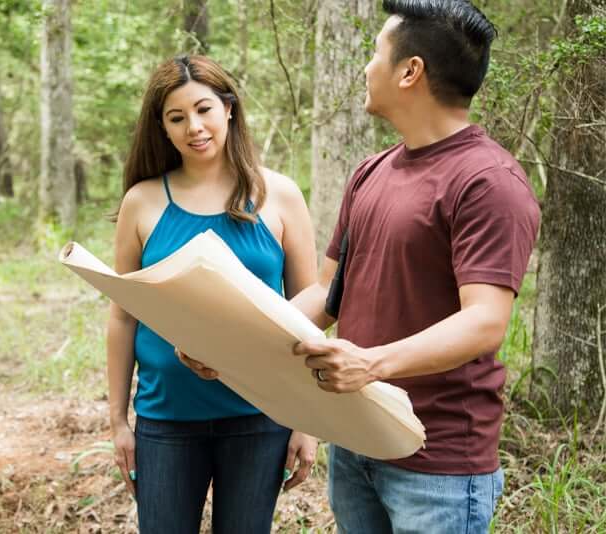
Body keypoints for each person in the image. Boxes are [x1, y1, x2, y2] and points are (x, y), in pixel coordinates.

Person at [180, 1, 540, 532]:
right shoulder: (370, 173)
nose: (366, 67)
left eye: (375, 53)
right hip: (355, 442)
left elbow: (484, 322)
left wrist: (370, 364)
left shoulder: (488, 182)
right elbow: (328, 294)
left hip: (437, 463)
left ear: (410, 71)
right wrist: (232, 346)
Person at [108, 55, 319, 533]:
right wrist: (118, 423)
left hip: (260, 414)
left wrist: (306, 423)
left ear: (229, 108)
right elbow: (122, 318)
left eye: (204, 110)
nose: (194, 128)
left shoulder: (280, 196)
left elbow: (309, 315)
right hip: (166, 419)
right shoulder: (142, 201)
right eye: (176, 118)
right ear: (161, 128)